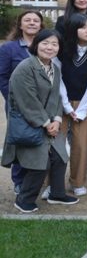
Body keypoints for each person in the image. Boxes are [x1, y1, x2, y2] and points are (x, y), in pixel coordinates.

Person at [2, 29, 79, 213]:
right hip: (30, 123)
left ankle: (57, 194)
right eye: (45, 43)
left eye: (54, 44)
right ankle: (24, 199)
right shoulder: (25, 68)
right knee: (39, 162)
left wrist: (58, 120)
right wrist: (46, 124)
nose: (49, 47)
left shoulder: (54, 68)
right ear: (35, 45)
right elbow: (28, 102)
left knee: (60, 157)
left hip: (50, 122)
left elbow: (56, 98)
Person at [57, 13, 87, 197]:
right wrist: (67, 106)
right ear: (73, 29)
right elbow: (57, 79)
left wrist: (82, 109)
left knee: (81, 145)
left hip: (86, 102)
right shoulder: (62, 49)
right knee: (56, 144)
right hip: (60, 101)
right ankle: (53, 183)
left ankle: (77, 181)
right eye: (83, 27)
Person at [0, 10, 44, 194]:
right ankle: (19, 181)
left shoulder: (47, 46)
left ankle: (35, 180)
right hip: (17, 106)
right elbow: (3, 77)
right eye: (28, 20)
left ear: (41, 25)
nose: (32, 23)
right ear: (20, 24)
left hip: (42, 105)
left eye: (36, 20)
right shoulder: (9, 49)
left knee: (38, 142)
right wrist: (15, 99)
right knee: (20, 140)